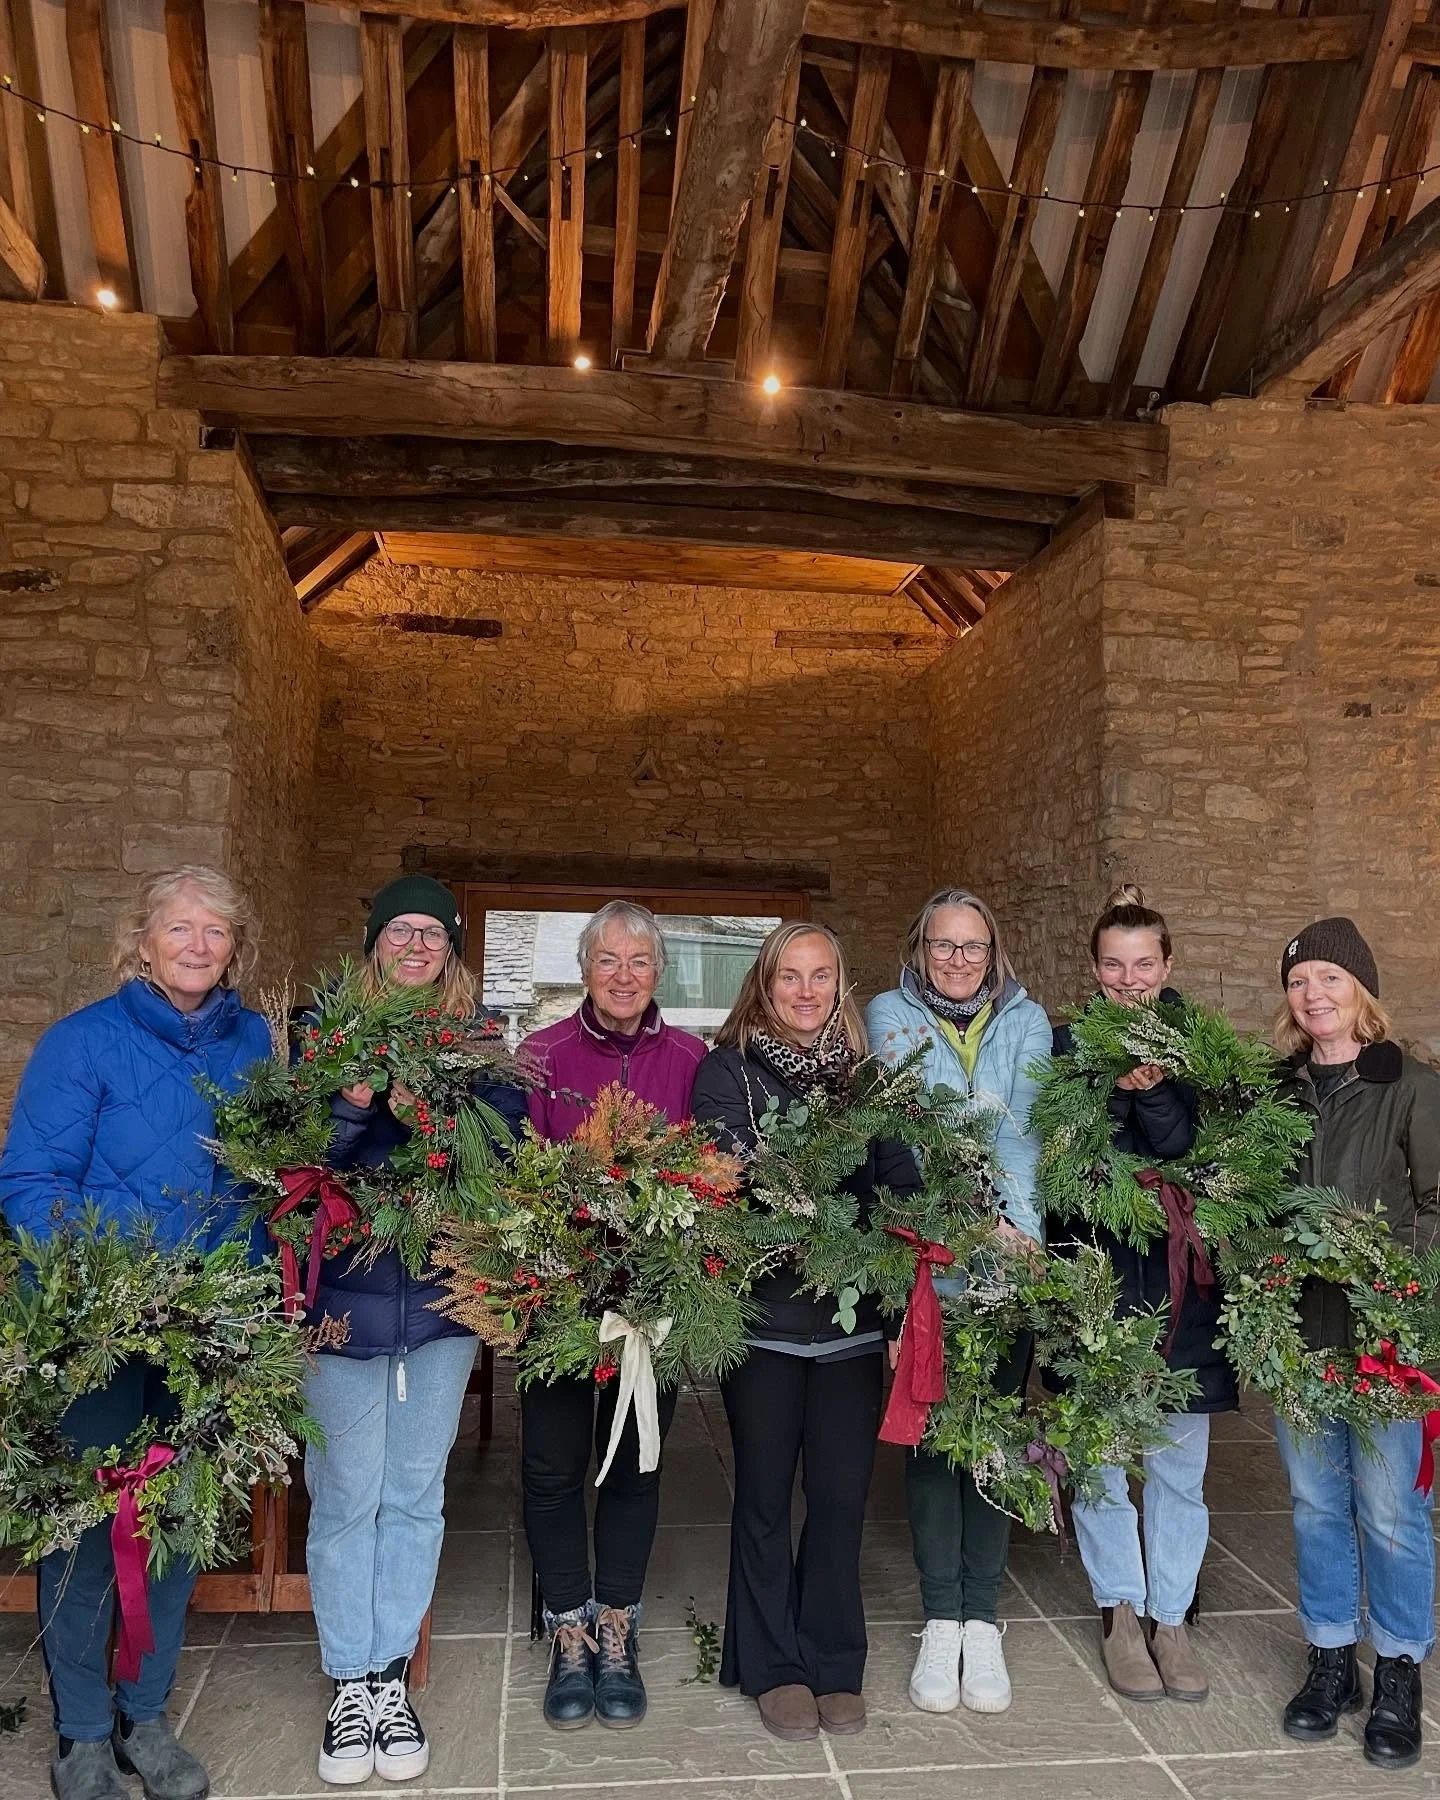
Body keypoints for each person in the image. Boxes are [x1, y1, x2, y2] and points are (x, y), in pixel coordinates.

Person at [0, 866, 270, 1800]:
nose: (199, 946)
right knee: (86, 1529)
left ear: (236, 949)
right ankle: (79, 1732)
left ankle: (144, 1717)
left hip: (208, 1336)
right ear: (143, 942)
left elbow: (265, 1180)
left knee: (174, 1524)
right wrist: (112, 1290)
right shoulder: (82, 1044)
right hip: (102, 1330)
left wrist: (256, 1293)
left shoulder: (255, 1045)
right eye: (180, 928)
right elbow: (33, 1186)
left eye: (217, 932)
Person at [303, 875, 527, 1787]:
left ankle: (391, 1674)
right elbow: (296, 1155)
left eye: (435, 932)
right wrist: (356, 1104)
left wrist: (440, 1114)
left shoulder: (481, 1046)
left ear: (453, 950)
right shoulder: (322, 1036)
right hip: (344, 1301)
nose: (418, 944)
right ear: (373, 941)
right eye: (401, 928)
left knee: (415, 1493)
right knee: (347, 1495)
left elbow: (505, 1152)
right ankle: (347, 1680)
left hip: (440, 1304)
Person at [692, 920, 921, 1743]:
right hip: (765, 1324)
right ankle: (771, 1664)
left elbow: (898, 1186)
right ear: (764, 982)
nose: (804, 991)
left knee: (837, 1498)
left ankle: (833, 1659)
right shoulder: (727, 1074)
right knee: (762, 1496)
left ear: (838, 987)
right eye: (789, 975)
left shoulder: (866, 1082)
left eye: (820, 976)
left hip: (851, 1332)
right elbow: (728, 1175)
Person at [518, 901, 706, 1730]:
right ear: (585, 968)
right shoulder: (540, 1055)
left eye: (639, 961)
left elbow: (714, 1179)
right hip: (557, 1299)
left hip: (649, 1309)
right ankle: (567, 1624)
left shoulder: (695, 1060)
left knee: (634, 1463)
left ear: (657, 971)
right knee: (554, 1469)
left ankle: (617, 1621)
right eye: (608, 960)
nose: (623, 975)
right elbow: (515, 1181)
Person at [866, 888, 1050, 1718]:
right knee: (933, 1437)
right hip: (925, 1262)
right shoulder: (885, 1014)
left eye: (972, 947)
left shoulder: (1029, 1020)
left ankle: (986, 1617)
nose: (958, 960)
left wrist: (1012, 1228)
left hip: (1010, 1260)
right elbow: (913, 1128)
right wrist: (971, 1221)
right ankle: (943, 1615)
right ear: (919, 949)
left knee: (999, 1437)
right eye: (943, 946)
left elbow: (1024, 1133)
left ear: (994, 952)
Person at [1051, 886, 1231, 1705]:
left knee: (1177, 1466)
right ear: (1094, 970)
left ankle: (1171, 1619)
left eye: (1145, 964)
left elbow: (1203, 1161)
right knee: (1095, 1458)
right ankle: (1120, 1611)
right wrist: (1110, 1086)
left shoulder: (1207, 1054)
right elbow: (1059, 1160)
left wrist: (1154, 1089)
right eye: (1114, 965)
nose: (1130, 980)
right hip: (1096, 1277)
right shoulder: (1062, 1048)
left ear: (1168, 966)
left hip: (1180, 1283)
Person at [1272, 918, 1440, 1771]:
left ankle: (1400, 1668)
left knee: (1390, 1508)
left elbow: (1437, 1204)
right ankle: (1331, 1655)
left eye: (1331, 979)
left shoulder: (1411, 1084)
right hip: (1299, 1332)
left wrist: (1388, 1274)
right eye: (1301, 983)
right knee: (1314, 1500)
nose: (1315, 995)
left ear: (1361, 991)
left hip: (1385, 1335)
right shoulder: (1279, 1088)